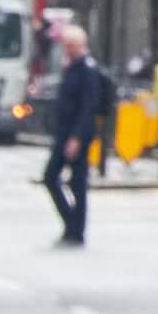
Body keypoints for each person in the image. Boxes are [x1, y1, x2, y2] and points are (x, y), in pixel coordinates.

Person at [46, 31, 111, 243]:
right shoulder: (71, 68)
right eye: (66, 46)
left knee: (76, 181)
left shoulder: (87, 70)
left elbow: (88, 106)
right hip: (65, 132)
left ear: (80, 45)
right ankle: (71, 224)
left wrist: (76, 137)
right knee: (53, 177)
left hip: (77, 135)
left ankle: (77, 228)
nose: (67, 50)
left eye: (70, 46)